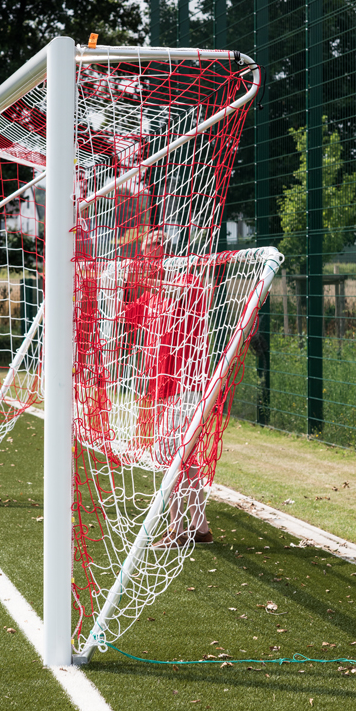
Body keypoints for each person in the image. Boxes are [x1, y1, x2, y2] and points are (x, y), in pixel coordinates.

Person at [120, 227, 213, 549]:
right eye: (148, 245)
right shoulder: (149, 295)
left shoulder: (188, 282)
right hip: (161, 388)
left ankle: (177, 529)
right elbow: (123, 318)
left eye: (158, 243)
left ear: (168, 250)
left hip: (186, 386)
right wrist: (114, 283)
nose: (152, 249)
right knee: (183, 458)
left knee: (167, 455)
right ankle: (200, 527)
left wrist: (146, 279)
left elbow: (179, 293)